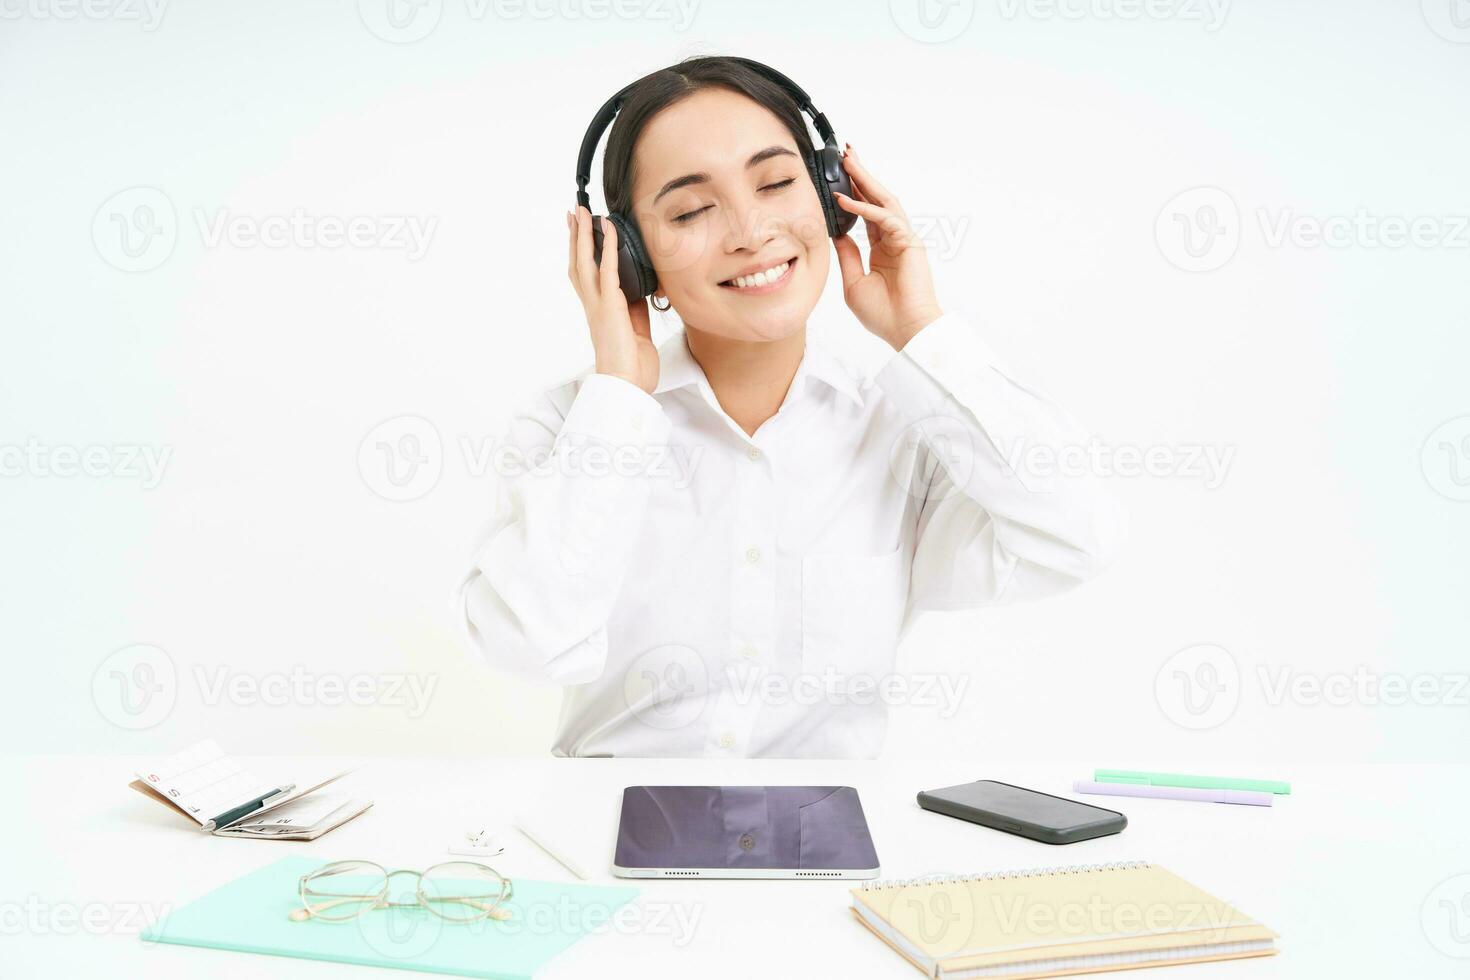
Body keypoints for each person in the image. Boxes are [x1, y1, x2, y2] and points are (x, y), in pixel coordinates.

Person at [454, 56, 1125, 758]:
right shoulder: (571, 427)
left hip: (830, 848)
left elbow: (1077, 537)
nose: (750, 230)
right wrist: (619, 393)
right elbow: (527, 647)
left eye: (776, 183)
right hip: (610, 839)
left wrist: (921, 330)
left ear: (833, 195)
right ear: (628, 255)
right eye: (689, 210)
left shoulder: (899, 433)